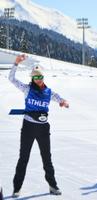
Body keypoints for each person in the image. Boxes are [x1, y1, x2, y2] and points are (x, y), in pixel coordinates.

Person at [8, 54, 69, 197]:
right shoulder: (27, 89)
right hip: (28, 127)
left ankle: (53, 186)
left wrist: (63, 101)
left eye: (40, 77)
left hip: (43, 128)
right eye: (35, 77)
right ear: (32, 78)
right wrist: (16, 63)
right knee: (24, 157)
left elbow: (58, 97)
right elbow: (11, 79)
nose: (38, 80)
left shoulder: (48, 92)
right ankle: (17, 188)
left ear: (43, 77)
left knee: (47, 158)